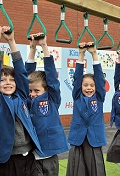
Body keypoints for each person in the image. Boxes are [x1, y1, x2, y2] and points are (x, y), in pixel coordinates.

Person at [0, 26, 43, 176]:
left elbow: (21, 72)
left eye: (11, 79)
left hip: (29, 155)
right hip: (7, 158)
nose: (8, 82)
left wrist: (11, 41)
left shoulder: (21, 96)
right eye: (3, 80)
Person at [25, 33, 70, 176]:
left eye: (36, 91)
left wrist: (44, 46)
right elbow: (25, 76)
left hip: (50, 155)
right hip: (32, 155)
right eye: (30, 90)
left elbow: (51, 77)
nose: (32, 94)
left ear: (46, 90)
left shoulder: (52, 98)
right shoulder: (26, 100)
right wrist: (32, 48)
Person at [66, 42, 107, 176]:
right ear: (80, 86)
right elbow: (77, 77)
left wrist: (94, 53)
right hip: (78, 138)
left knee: (96, 169)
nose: (88, 88)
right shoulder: (77, 96)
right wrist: (81, 54)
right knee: (77, 169)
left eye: (91, 85)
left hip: (94, 139)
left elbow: (100, 79)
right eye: (85, 85)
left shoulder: (99, 97)